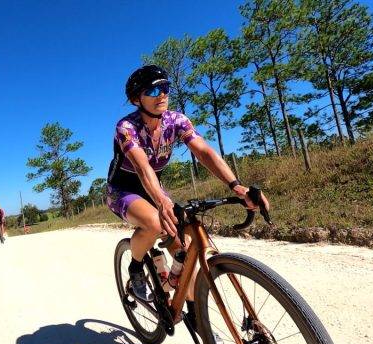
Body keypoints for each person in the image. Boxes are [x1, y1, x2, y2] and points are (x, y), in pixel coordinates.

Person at [106, 64, 270, 330]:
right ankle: (136, 266)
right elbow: (142, 167)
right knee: (156, 224)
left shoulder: (177, 121)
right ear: (137, 99)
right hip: (123, 189)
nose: (162, 94)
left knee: (188, 244)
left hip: (154, 188)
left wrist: (237, 187)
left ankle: (192, 305)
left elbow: (204, 153)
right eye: (153, 90)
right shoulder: (126, 126)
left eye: (166, 88)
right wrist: (162, 202)